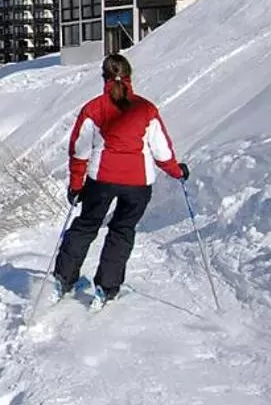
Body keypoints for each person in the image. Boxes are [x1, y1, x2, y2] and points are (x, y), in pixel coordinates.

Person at [53, 52, 188, 309]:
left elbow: (79, 150)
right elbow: (161, 151)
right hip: (138, 183)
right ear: (129, 77)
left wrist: (76, 185)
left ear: (104, 78)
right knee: (122, 231)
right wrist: (177, 171)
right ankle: (106, 287)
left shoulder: (94, 109)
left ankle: (64, 278)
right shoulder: (145, 109)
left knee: (85, 226)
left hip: (101, 179)